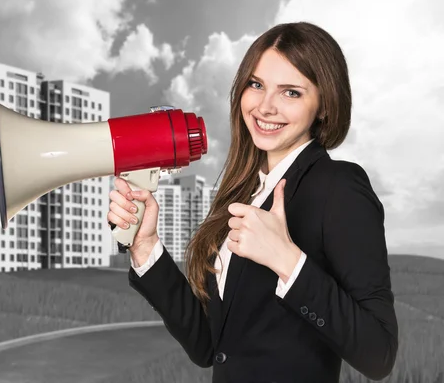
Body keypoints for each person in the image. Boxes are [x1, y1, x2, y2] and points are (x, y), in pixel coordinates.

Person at [107, 22, 398, 383]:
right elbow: (208, 347)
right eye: (256, 84)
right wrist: (145, 246)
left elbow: (379, 353)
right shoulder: (242, 192)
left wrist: (287, 261)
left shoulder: (339, 187)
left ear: (324, 105)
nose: (265, 106)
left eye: (291, 92)